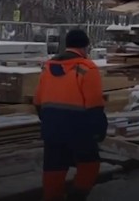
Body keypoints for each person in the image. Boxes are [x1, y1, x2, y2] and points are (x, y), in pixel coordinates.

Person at [34, 29, 107, 201]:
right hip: (79, 127)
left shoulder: (48, 66)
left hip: (52, 126)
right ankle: (77, 196)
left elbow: (38, 101)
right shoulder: (86, 67)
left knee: (54, 168)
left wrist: (49, 121)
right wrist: (99, 130)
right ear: (85, 47)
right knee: (90, 164)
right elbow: (94, 104)